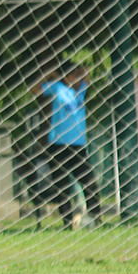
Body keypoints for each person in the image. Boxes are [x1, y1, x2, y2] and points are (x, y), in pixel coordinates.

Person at [33, 59, 102, 229]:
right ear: (66, 77)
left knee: (89, 183)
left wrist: (80, 72)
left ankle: (96, 219)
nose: (77, 78)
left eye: (78, 75)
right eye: (73, 75)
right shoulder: (57, 88)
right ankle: (67, 223)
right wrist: (49, 76)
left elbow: (88, 72)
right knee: (62, 187)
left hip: (78, 146)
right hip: (58, 145)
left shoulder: (81, 90)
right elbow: (34, 90)